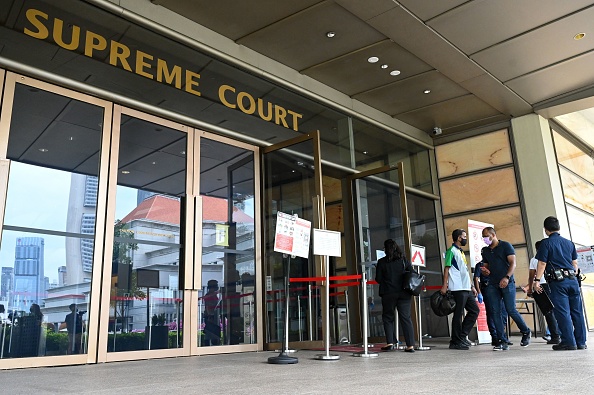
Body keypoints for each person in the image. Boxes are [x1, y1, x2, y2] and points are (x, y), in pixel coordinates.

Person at [533, 216, 587, 351]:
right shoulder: (569, 243)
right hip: (573, 280)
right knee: (577, 312)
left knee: (563, 312)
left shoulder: (546, 243)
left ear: (546, 230)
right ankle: (581, 342)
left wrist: (537, 280)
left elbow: (542, 263)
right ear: (559, 228)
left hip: (558, 283)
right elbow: (575, 264)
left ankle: (569, 342)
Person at [481, 227, 531, 351]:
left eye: (486, 236)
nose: (485, 239)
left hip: (507, 283)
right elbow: (486, 266)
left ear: (493, 235)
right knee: (495, 312)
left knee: (510, 309)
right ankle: (502, 340)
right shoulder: (485, 251)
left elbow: (513, 263)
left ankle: (525, 331)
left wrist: (507, 277)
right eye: (483, 237)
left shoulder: (505, 246)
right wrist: (486, 272)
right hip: (492, 284)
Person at [440, 229, 479, 350]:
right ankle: (455, 341)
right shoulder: (451, 251)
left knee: (474, 311)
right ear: (458, 238)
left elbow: (464, 271)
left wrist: (472, 286)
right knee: (458, 315)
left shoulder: (461, 252)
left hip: (466, 287)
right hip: (457, 288)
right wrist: (444, 285)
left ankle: (462, 337)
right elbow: (447, 268)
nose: (465, 238)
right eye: (464, 236)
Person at [375, 239, 416, 352]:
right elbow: (412, 274)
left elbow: (378, 279)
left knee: (388, 317)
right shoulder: (404, 261)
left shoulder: (382, 262)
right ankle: (410, 345)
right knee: (406, 318)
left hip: (388, 293)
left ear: (385, 250)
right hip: (404, 293)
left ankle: (390, 343)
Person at [527, 240, 560, 345]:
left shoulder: (534, 260)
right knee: (556, 311)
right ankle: (561, 334)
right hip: (552, 285)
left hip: (540, 287)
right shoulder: (552, 257)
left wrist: (530, 288)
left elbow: (531, 276)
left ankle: (555, 336)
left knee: (548, 312)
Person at [474, 261, 509, 346]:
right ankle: (495, 337)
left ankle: (501, 335)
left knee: (504, 312)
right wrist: (479, 292)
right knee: (491, 313)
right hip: (487, 289)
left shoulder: (496, 263)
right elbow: (476, 278)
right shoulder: (480, 265)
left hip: (499, 289)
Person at [203, 279, 222, 346]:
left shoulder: (213, 295)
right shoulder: (209, 295)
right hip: (211, 316)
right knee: (211, 332)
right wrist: (210, 316)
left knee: (211, 332)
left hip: (213, 315)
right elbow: (208, 306)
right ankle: (209, 344)